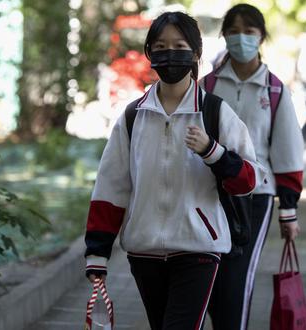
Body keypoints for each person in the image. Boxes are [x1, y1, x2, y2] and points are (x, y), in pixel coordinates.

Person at [83, 11, 264, 330]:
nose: (170, 54)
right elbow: (111, 187)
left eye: (179, 45)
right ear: (150, 53)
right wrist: (97, 253)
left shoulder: (215, 113)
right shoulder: (133, 117)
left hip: (198, 249)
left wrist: (214, 152)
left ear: (195, 54)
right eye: (161, 46)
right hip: (144, 252)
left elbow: (248, 180)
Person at [199, 4, 304, 330]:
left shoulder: (274, 90)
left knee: (237, 278)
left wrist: (288, 210)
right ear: (224, 36)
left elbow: (287, 151)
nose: (241, 38)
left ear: (261, 37)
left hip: (255, 196)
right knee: (208, 277)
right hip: (208, 193)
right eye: (233, 31)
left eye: (249, 31)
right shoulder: (207, 86)